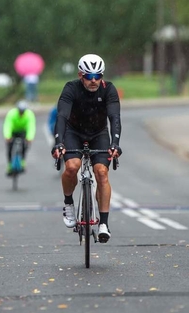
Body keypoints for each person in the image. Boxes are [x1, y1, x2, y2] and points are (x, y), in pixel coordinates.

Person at [50, 54, 122, 243]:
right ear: (80, 75)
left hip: (98, 133)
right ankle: (68, 203)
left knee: (102, 173)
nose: (93, 80)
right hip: (74, 132)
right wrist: (58, 142)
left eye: (97, 76)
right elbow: (62, 117)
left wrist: (115, 143)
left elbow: (114, 117)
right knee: (72, 167)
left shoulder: (109, 90)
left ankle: (104, 224)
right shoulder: (70, 88)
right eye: (89, 76)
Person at [3, 100, 36, 176]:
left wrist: (29, 138)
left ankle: (22, 161)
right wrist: (7, 136)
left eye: (23, 112)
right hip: (13, 131)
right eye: (20, 111)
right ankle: (10, 165)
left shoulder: (29, 114)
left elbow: (31, 126)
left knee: (25, 145)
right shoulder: (11, 113)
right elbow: (7, 125)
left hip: (22, 132)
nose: (21, 113)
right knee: (9, 146)